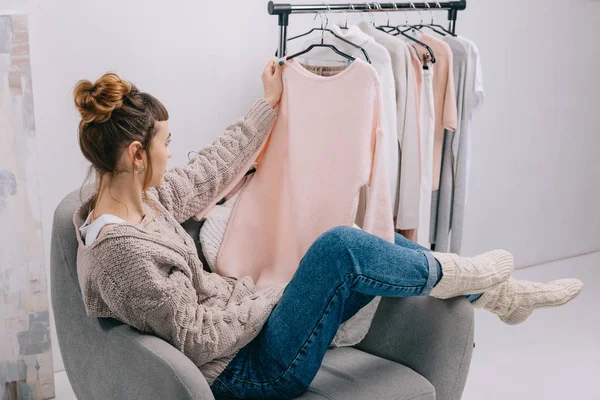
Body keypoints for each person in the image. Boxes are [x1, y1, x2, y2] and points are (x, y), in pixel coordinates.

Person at [72, 59, 584, 400]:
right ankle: (469, 274)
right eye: (164, 142)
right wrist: (278, 296)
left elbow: (211, 168)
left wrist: (268, 105)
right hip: (247, 374)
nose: (170, 151)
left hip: (248, 337)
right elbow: (196, 337)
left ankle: (498, 296)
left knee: (376, 239)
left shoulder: (145, 200)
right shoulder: (120, 255)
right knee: (341, 247)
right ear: (137, 156)